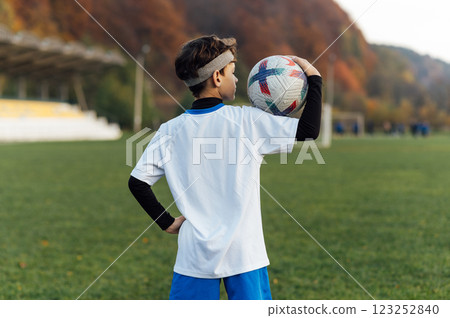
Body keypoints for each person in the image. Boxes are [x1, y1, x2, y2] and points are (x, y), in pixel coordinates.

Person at [128, 35, 322, 300]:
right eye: (232, 72)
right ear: (217, 77)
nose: (238, 79)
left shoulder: (169, 131)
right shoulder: (246, 121)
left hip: (194, 255)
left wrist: (166, 222)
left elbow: (137, 183)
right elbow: (308, 131)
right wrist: (314, 79)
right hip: (245, 255)